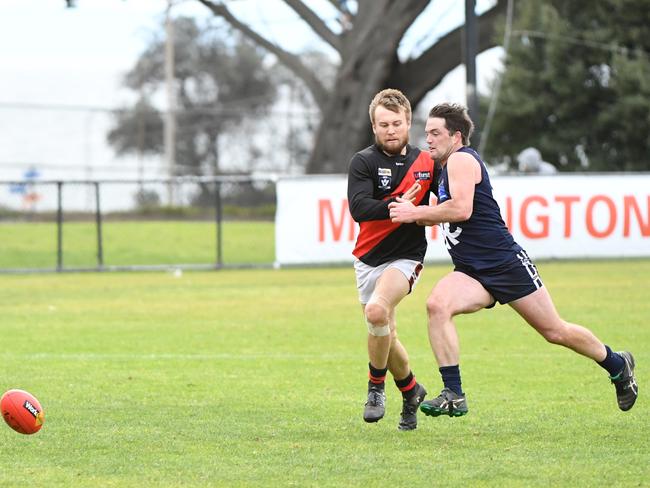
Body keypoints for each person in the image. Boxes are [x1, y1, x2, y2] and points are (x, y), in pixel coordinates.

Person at [388, 103, 638, 417]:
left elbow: (461, 209)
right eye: (427, 133)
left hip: (505, 264)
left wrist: (416, 212)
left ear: (456, 136)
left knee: (554, 331)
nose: (429, 139)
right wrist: (413, 209)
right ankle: (454, 393)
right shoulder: (443, 167)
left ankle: (618, 364)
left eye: (436, 133)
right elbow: (442, 214)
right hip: (472, 270)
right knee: (437, 305)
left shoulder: (462, 160)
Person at [347, 88, 435, 430]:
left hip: (406, 257)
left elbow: (441, 209)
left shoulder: (427, 163)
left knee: (376, 311)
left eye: (397, 123)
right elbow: (359, 209)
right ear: (374, 126)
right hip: (368, 259)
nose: (391, 130)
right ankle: (411, 390)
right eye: (383, 124)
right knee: (385, 331)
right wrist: (400, 205)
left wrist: (420, 213)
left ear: (409, 122)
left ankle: (375, 388)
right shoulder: (364, 162)